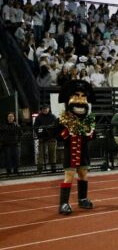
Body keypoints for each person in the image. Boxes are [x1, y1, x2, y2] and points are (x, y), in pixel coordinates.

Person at [55, 80, 96, 215]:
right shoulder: (63, 119)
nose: (80, 100)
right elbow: (55, 133)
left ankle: (82, 199)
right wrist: (66, 133)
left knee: (83, 174)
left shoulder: (88, 120)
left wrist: (91, 133)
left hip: (83, 151)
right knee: (69, 175)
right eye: (76, 96)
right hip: (70, 151)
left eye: (83, 96)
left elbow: (92, 135)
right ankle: (64, 203)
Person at [34, 105, 58, 172]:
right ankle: (40, 168)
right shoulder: (38, 117)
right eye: (43, 109)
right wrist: (39, 135)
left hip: (51, 138)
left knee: (52, 152)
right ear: (41, 110)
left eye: (46, 108)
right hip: (42, 138)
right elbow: (36, 127)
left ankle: (53, 168)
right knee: (41, 153)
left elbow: (56, 126)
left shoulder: (53, 116)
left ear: (48, 109)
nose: (45, 110)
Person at [2, 112, 21, 176]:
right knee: (7, 158)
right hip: (6, 145)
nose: (10, 118)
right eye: (9, 116)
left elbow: (21, 134)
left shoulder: (17, 125)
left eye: (12, 116)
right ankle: (8, 172)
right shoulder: (3, 126)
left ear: (14, 117)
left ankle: (16, 171)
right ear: (7, 118)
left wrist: (18, 141)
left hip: (15, 144)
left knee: (16, 158)